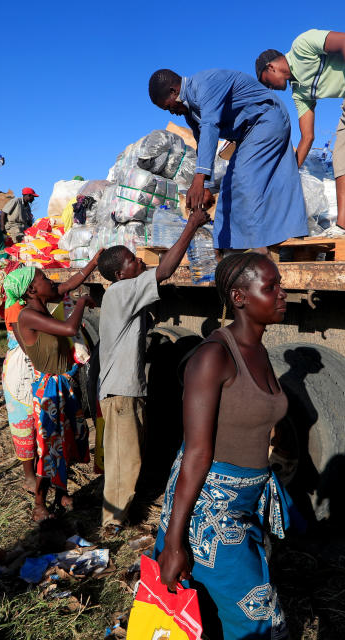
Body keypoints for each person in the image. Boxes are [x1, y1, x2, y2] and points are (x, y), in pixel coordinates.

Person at [155, 252, 291, 640]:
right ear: (239, 297)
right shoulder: (213, 357)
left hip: (244, 505)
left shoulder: (260, 351)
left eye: (280, 284)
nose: (283, 293)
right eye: (271, 287)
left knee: (211, 618)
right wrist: (174, 543)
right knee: (259, 620)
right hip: (209, 514)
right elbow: (196, 453)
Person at [96, 207, 210, 534]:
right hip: (121, 392)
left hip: (123, 389)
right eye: (133, 260)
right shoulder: (122, 291)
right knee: (124, 460)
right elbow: (165, 270)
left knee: (127, 455)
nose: (140, 262)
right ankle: (111, 523)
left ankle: (120, 514)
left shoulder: (120, 292)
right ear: (120, 273)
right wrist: (191, 225)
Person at [257, 30, 345, 237]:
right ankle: (343, 227)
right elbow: (307, 137)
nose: (270, 88)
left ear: (270, 66)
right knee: (342, 156)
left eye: (267, 81)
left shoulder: (301, 45)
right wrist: (290, 171)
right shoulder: (298, 91)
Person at [148, 68, 307, 251]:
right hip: (248, 133)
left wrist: (200, 179)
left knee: (243, 180)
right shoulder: (190, 112)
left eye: (168, 106)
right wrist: (205, 187)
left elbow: (210, 127)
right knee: (231, 186)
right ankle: (231, 249)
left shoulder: (204, 86)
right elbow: (203, 143)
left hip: (266, 118)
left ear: (174, 91)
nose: (171, 112)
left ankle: (257, 246)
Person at [1, 252, 100, 498]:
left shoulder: (41, 310)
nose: (51, 280)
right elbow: (69, 328)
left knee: (64, 441)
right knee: (48, 446)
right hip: (49, 389)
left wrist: (94, 262)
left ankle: (61, 491)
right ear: (32, 290)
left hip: (59, 384)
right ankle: (39, 505)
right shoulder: (27, 316)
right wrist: (81, 302)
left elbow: (66, 285)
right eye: (44, 278)